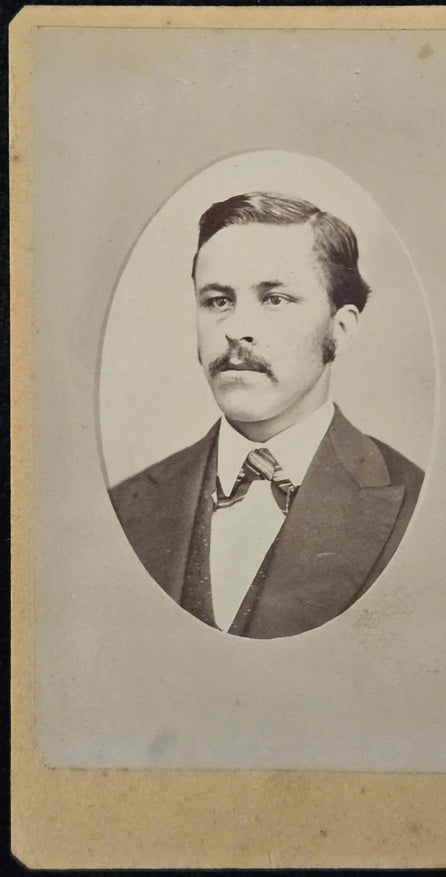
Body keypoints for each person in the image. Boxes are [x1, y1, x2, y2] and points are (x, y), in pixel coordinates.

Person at [109, 192, 424, 639]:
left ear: (341, 329)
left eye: (275, 299)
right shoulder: (126, 506)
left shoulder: (418, 508)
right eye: (218, 301)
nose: (237, 329)